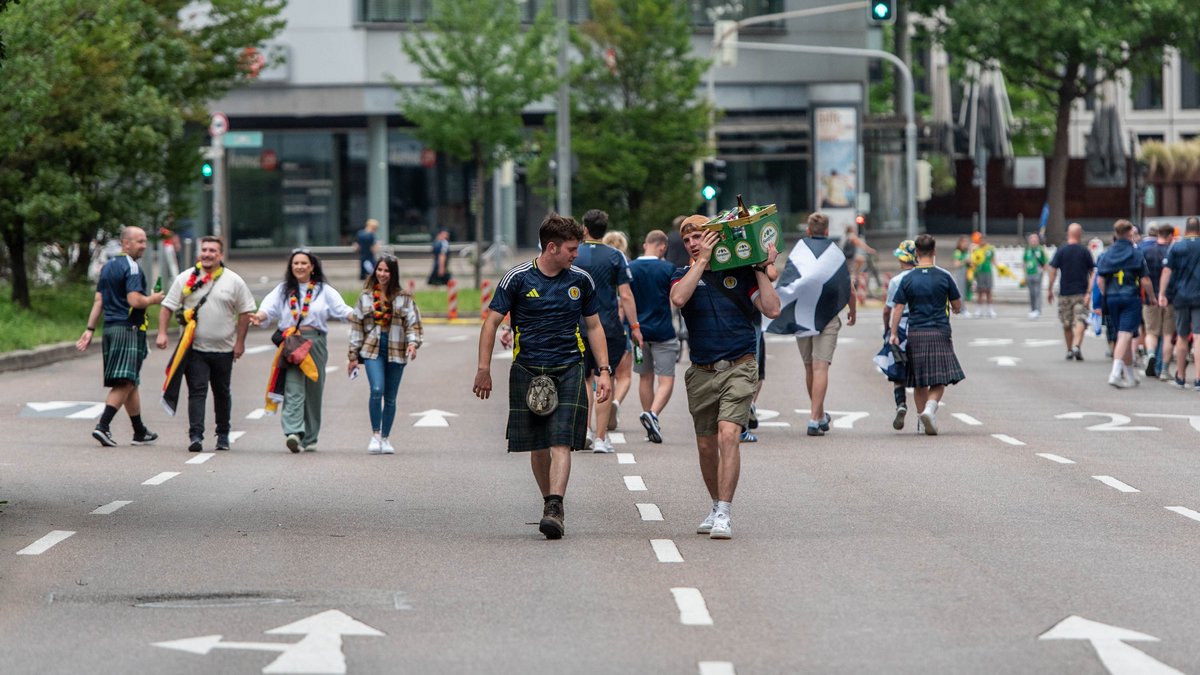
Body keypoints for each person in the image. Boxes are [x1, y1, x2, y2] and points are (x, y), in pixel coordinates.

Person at [473, 212, 612, 540]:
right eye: (571, 249)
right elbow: (491, 322)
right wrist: (483, 369)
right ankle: (549, 500)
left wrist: (603, 371)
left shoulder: (580, 280)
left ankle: (555, 505)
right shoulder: (517, 278)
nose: (576, 254)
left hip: (569, 368)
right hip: (528, 369)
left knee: (560, 440)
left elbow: (593, 326)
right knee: (538, 447)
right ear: (552, 248)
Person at [671, 215, 781, 540]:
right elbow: (678, 300)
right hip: (702, 370)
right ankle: (715, 503)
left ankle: (725, 512)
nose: (693, 243)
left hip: (740, 365)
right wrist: (701, 261)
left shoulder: (739, 272)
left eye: (698, 236)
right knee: (706, 446)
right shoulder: (681, 275)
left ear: (715, 235)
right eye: (688, 239)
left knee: (728, 434)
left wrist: (761, 269)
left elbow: (772, 309)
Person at [156, 236, 256, 452]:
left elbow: (246, 313)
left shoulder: (234, 281)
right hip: (194, 349)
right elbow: (167, 307)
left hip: (224, 349)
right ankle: (196, 436)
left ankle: (222, 435)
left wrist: (240, 343)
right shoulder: (185, 278)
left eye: (213, 250)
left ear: (220, 255)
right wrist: (162, 333)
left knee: (222, 392)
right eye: (205, 250)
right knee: (197, 391)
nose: (208, 254)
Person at [250, 250, 353, 453]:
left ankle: (311, 437)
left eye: (303, 263)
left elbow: (342, 309)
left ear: (312, 266)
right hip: (292, 343)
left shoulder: (324, 290)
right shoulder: (283, 290)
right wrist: (260, 317)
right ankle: (293, 432)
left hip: (316, 342)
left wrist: (358, 316)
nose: (299, 266)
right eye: (295, 263)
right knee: (293, 387)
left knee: (314, 390)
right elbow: (268, 308)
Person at [77, 226, 166, 447]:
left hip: (110, 329)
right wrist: (154, 299)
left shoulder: (107, 267)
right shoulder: (132, 267)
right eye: (140, 241)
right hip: (129, 329)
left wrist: (90, 329)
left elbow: (99, 301)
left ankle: (139, 431)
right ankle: (103, 426)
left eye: (145, 241)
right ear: (126, 243)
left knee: (131, 380)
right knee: (125, 382)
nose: (144, 246)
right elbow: (135, 300)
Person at [575, 209, 641, 454]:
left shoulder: (574, 254)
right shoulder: (616, 256)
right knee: (606, 378)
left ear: (585, 229)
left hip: (579, 325)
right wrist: (634, 326)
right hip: (609, 326)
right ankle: (601, 438)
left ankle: (582, 432)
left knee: (584, 379)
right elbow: (625, 294)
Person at [888, 234, 964, 436]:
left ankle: (922, 420)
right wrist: (954, 308)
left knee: (920, 380)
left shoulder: (908, 278)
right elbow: (957, 305)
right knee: (939, 380)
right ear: (934, 252)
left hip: (916, 332)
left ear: (917, 253)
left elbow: (898, 308)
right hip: (940, 331)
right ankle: (931, 409)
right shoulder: (945, 276)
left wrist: (893, 333)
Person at [348, 255, 423, 454]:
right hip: (372, 348)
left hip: (397, 349)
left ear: (393, 273)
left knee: (390, 397)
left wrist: (413, 344)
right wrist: (353, 356)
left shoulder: (404, 297)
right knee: (377, 389)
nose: (382, 274)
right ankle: (375, 435)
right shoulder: (365, 296)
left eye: (386, 271)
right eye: (379, 270)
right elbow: (356, 326)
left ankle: (385, 438)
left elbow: (413, 324)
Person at [790, 213, 855, 437]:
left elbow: (789, 281)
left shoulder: (799, 248)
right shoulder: (834, 252)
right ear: (827, 231)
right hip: (827, 315)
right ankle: (815, 417)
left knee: (810, 367)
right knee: (821, 367)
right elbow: (848, 285)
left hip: (802, 315)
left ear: (808, 231)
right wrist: (852, 311)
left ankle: (816, 415)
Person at [629, 229, 680, 444]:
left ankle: (648, 417)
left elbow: (625, 298)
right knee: (666, 379)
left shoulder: (629, 268)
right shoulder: (667, 268)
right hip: (663, 332)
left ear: (645, 244)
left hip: (638, 333)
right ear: (662, 247)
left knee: (644, 377)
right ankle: (653, 414)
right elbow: (674, 297)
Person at [1096, 220, 1154, 388]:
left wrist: (1105, 295)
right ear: (1129, 233)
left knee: (1125, 335)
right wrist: (1152, 296)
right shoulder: (1135, 254)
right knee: (1126, 335)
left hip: (1112, 297)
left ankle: (1130, 375)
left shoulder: (1107, 254)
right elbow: (1145, 279)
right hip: (1130, 296)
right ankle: (1115, 372)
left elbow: (1100, 280)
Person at [876, 239, 916, 430]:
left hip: (899, 328)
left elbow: (888, 309)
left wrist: (887, 331)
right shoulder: (923, 277)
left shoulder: (896, 281)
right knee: (918, 371)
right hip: (918, 326)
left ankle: (901, 403)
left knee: (897, 371)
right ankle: (922, 414)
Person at [1159, 216, 1200, 390]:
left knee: (1182, 336)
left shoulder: (1177, 246)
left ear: (1186, 229)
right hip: (1199, 296)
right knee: (1198, 336)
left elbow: (1167, 271)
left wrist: (1162, 293)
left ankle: (1181, 376)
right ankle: (1198, 377)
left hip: (1181, 296)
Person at [1047, 223, 1096, 361]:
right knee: (1081, 319)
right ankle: (1076, 346)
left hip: (1065, 292)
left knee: (1066, 323)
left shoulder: (1061, 251)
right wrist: (1089, 292)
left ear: (1068, 234)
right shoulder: (1085, 251)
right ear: (1079, 234)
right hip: (1081, 292)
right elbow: (1093, 273)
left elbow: (1052, 270)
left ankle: (1069, 349)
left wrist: (1050, 289)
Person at [602, 230, 634, 430]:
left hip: (599, 325)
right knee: (625, 375)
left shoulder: (597, 265)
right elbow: (626, 298)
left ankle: (603, 415)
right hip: (619, 327)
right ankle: (615, 403)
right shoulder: (624, 266)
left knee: (605, 374)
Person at [1140, 224, 1175, 379]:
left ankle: (1151, 354)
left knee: (1151, 332)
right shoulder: (1172, 252)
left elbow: (1142, 276)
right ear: (1169, 236)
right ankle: (1164, 370)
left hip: (1150, 298)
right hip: (1170, 298)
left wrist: (1150, 295)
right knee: (1167, 334)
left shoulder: (1146, 251)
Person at [1023, 233, 1048, 319]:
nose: (1033, 241)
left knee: (1037, 292)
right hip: (1029, 273)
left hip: (1037, 273)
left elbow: (1045, 262)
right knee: (1031, 293)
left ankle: (1037, 310)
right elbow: (1025, 262)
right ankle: (1033, 309)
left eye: (1035, 239)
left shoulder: (1040, 249)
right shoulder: (1027, 250)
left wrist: (1042, 272)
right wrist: (1025, 274)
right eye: (1032, 239)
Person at [972, 234, 996, 318]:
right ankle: (978, 310)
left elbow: (993, 260)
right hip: (979, 272)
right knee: (980, 291)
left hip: (988, 271)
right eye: (980, 240)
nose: (982, 241)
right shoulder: (976, 249)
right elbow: (973, 261)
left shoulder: (990, 249)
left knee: (989, 291)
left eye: (984, 240)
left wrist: (999, 268)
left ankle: (990, 310)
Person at [951, 235, 972, 308]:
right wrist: (965, 261)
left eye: (967, 242)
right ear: (960, 243)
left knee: (966, 292)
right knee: (961, 292)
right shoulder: (958, 252)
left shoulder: (967, 252)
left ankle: (964, 308)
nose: (966, 244)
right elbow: (956, 264)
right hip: (960, 274)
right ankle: (960, 309)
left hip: (967, 274)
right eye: (964, 242)